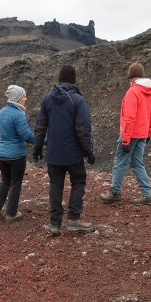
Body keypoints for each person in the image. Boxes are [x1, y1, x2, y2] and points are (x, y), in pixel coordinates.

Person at [34, 65, 96, 236]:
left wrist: (37, 147)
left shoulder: (47, 99)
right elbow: (82, 129)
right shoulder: (78, 100)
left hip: (53, 153)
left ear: (59, 79)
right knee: (78, 181)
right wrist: (88, 151)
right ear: (74, 80)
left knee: (56, 184)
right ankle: (74, 220)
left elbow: (40, 126)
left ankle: (55, 223)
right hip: (73, 153)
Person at [100, 62, 151, 205]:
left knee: (120, 162)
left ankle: (115, 193)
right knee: (137, 164)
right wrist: (148, 133)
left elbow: (129, 117)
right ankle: (148, 195)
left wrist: (125, 139)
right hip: (142, 135)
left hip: (131, 135)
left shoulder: (133, 92)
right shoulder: (149, 92)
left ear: (131, 77)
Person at [0, 85, 35, 224]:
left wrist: (6, 142)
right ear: (17, 98)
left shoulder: (1, 112)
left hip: (2, 155)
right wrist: (44, 141)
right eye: (23, 96)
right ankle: (11, 214)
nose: (25, 99)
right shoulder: (18, 115)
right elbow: (27, 136)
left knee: (5, 181)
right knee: (16, 183)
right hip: (16, 156)